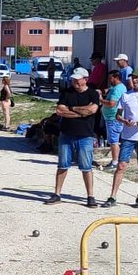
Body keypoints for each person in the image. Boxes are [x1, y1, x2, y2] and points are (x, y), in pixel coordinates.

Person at [102, 69, 138, 209]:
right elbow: (118, 115)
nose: (134, 80)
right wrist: (124, 120)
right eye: (132, 78)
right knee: (121, 165)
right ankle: (113, 196)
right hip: (128, 136)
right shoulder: (126, 95)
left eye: (137, 77)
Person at [46, 69, 100, 207]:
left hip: (85, 135)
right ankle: (57, 194)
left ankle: (90, 196)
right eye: (73, 79)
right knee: (63, 165)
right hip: (66, 134)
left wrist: (71, 108)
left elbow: (92, 110)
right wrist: (81, 112)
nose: (74, 82)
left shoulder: (92, 94)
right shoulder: (66, 92)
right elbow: (59, 111)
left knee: (86, 167)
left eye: (77, 79)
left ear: (85, 79)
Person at [99, 72, 127, 171]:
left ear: (117, 78)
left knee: (113, 141)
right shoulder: (117, 88)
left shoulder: (118, 89)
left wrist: (101, 100)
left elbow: (111, 103)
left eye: (111, 78)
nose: (109, 80)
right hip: (111, 117)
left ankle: (115, 162)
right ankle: (117, 160)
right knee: (114, 140)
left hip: (113, 118)